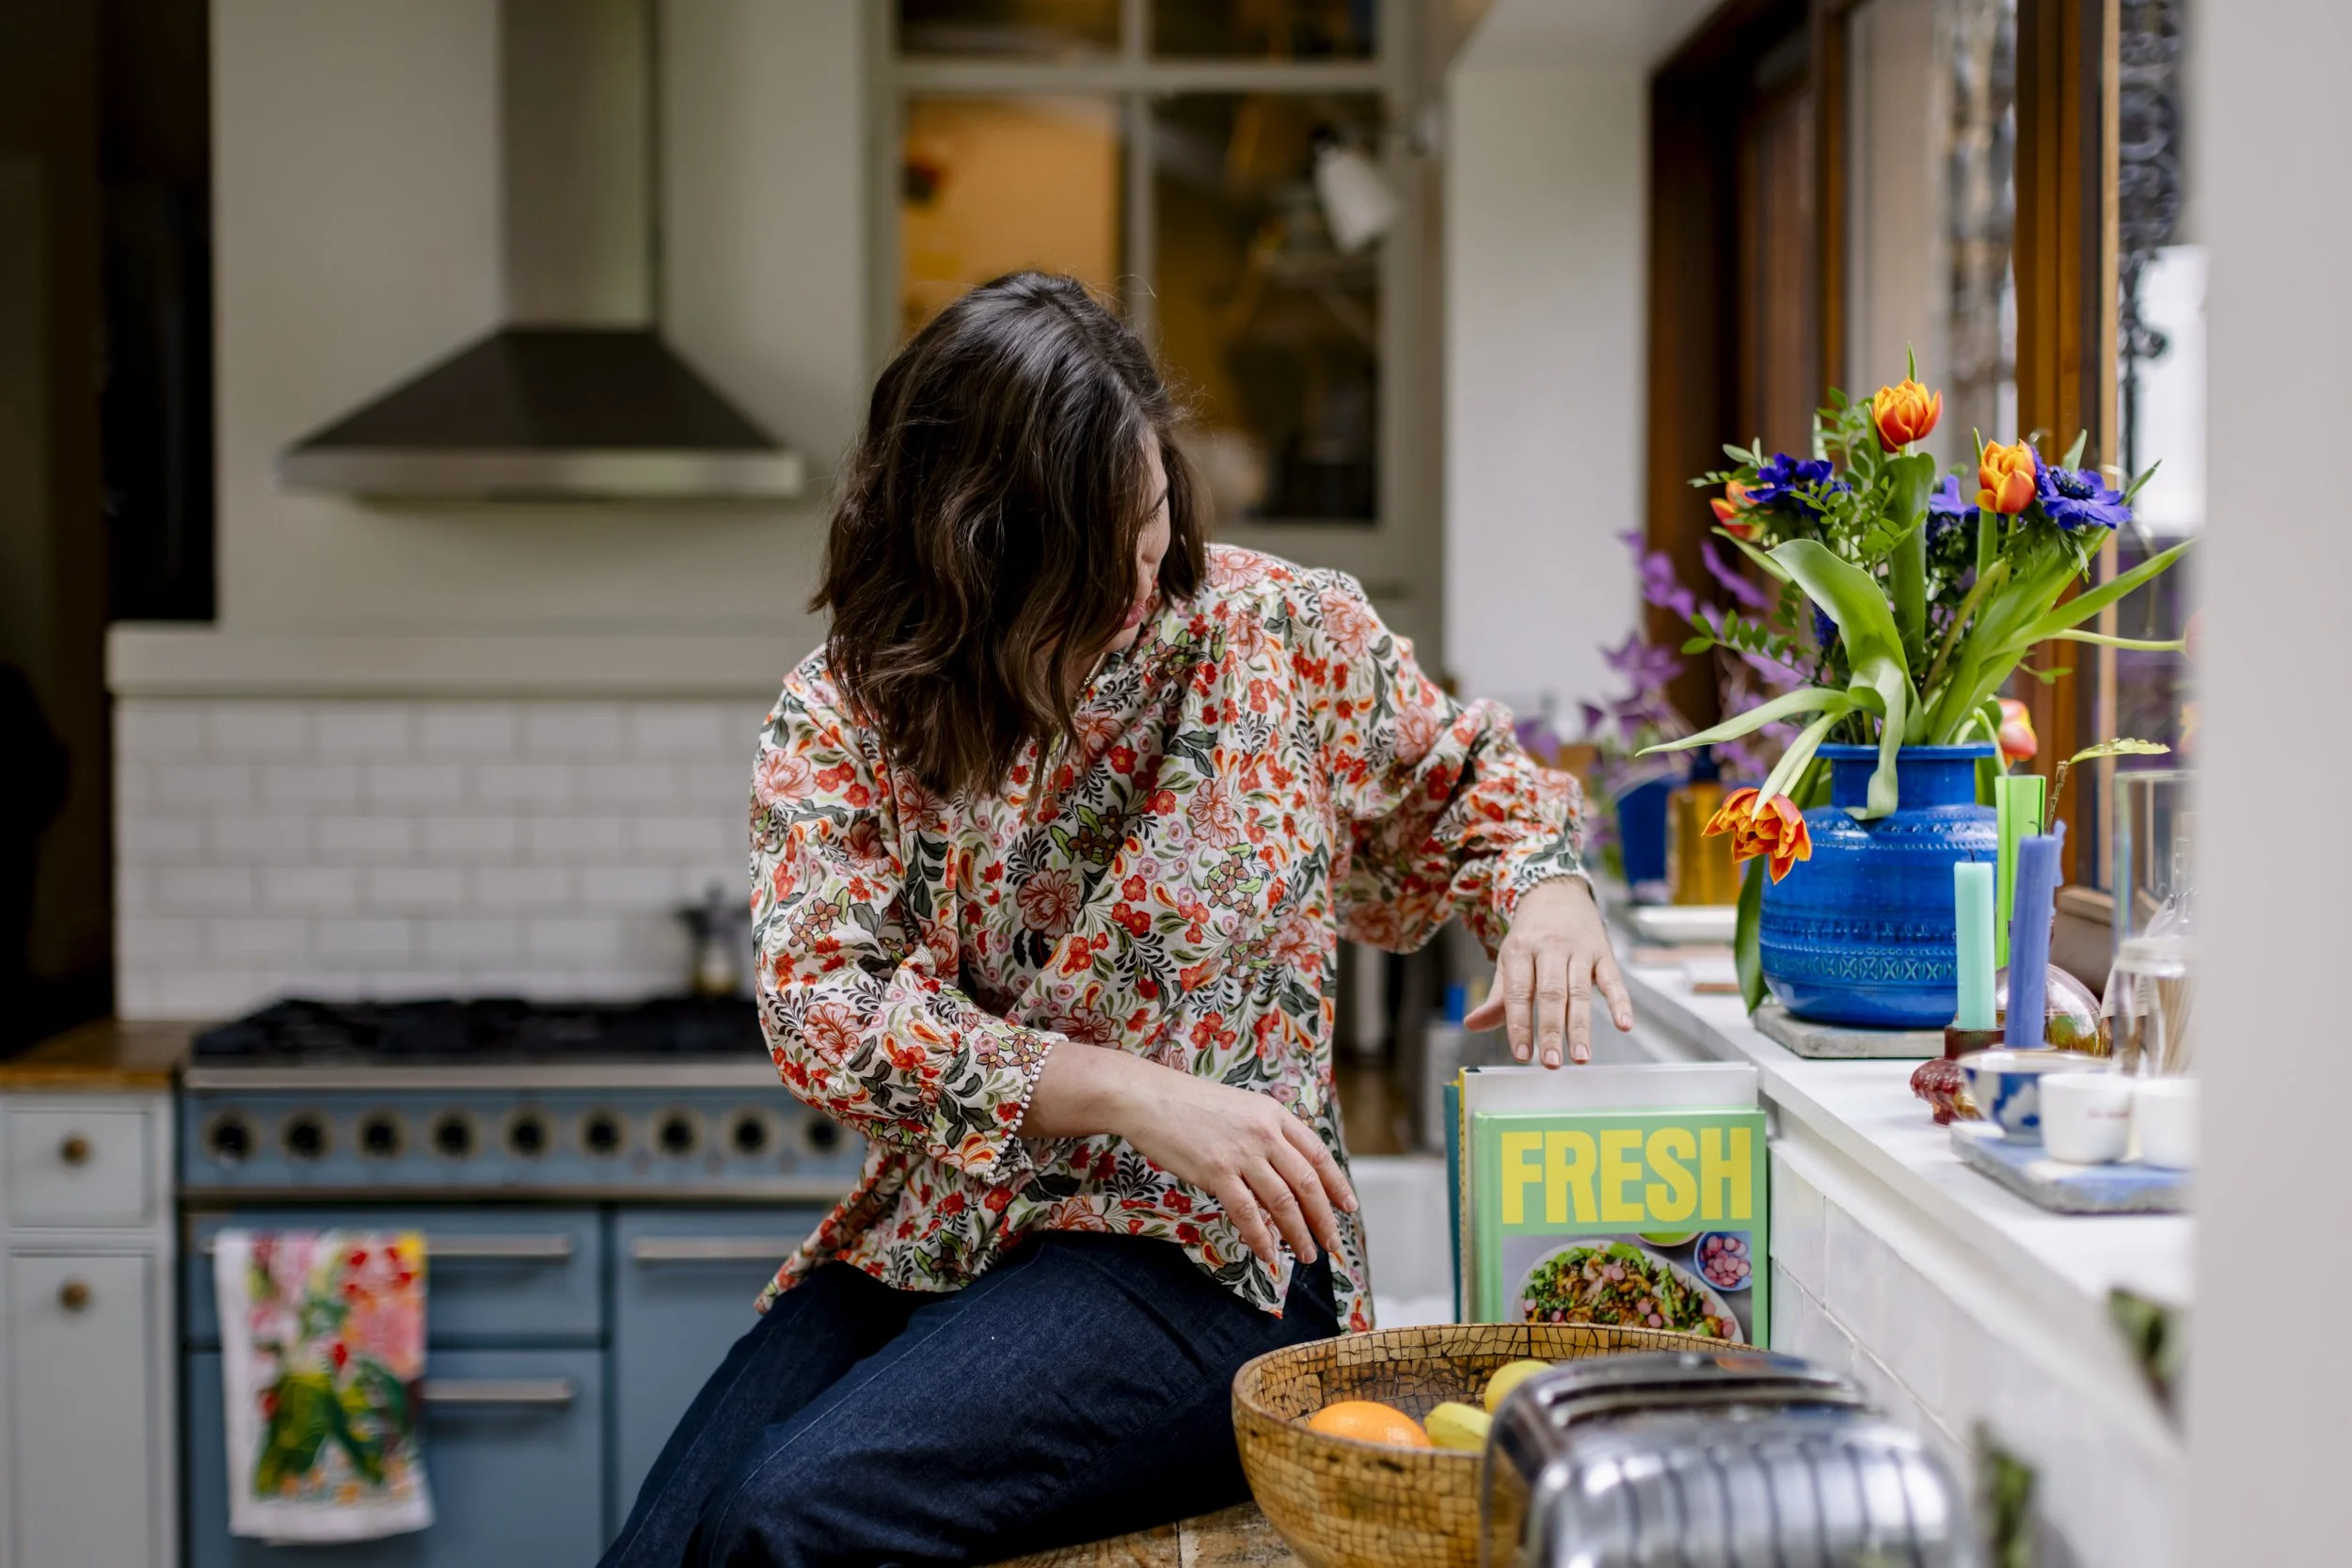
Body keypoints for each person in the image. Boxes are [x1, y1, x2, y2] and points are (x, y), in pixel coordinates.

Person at [599, 273, 1633, 1567]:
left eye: (1150, 519)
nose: (1147, 576)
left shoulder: (1276, 632)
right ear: (975, 556)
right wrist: (1132, 1091)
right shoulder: (850, 709)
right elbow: (826, 1005)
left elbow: (1477, 781)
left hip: (1218, 1260)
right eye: (1101, 557)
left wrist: (1544, 887)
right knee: (663, 1546)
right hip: (946, 1237)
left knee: (788, 1515)